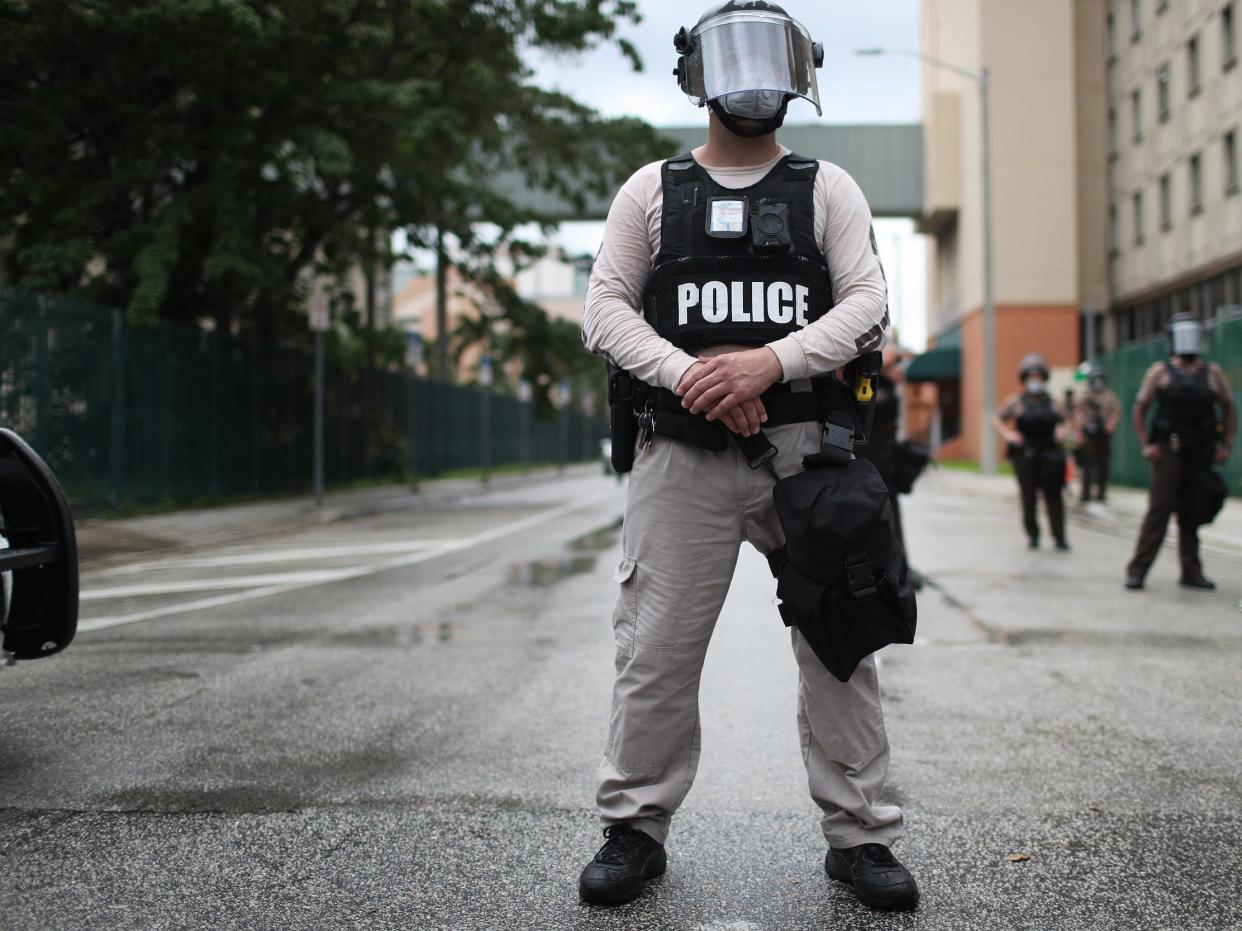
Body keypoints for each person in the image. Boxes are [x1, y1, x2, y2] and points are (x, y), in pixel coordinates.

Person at [578, 1, 918, 912]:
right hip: (680, 453)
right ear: (696, 72)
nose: (753, 77)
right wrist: (692, 375)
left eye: (774, 57)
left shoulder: (827, 188)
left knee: (841, 639)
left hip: (806, 455)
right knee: (653, 647)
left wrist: (771, 360)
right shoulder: (650, 189)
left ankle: (862, 836)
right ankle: (633, 826)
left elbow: (868, 304)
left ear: (801, 70)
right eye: (734, 57)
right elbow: (605, 308)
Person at [1125, 314, 1235, 591]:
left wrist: (1226, 444)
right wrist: (1146, 445)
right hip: (1168, 450)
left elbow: (1229, 408)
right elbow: (1139, 408)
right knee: (1159, 510)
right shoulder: (1160, 372)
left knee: (1193, 510)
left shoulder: (1211, 373)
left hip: (1200, 451)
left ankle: (1191, 570)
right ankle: (1138, 569)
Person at [992, 353, 1070, 551]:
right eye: (1031, 377)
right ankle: (1033, 535)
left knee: (1054, 495)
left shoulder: (1053, 402)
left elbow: (1068, 421)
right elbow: (996, 418)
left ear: (1044, 378)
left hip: (1049, 452)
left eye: (1038, 377)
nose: (1035, 381)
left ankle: (1059, 536)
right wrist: (1008, 434)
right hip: (1025, 453)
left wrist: (1063, 431)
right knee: (1028, 496)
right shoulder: (1015, 402)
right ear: (1025, 378)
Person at [859, 345, 911, 562]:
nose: (900, 369)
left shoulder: (890, 388)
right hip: (864, 467)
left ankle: (900, 568)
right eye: (896, 365)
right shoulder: (867, 384)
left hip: (885, 468)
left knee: (892, 522)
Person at [1074, 365, 1120, 502]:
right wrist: (1080, 431)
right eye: (1095, 379)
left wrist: (1111, 423)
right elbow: (1078, 413)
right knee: (1087, 465)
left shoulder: (1109, 395)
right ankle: (1085, 493)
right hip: (1089, 433)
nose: (1097, 382)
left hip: (1103, 433)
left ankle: (1101, 492)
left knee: (1103, 464)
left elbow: (1115, 411)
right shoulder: (1085, 395)